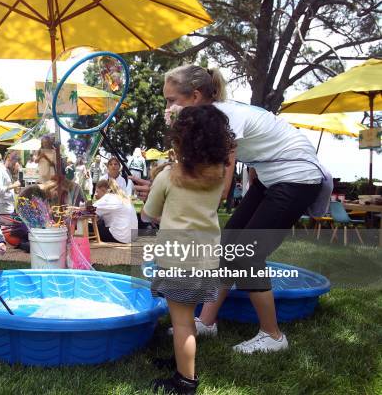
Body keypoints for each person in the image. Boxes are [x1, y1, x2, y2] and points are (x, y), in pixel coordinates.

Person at [133, 64, 325, 355]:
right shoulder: (209, 120)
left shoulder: (224, 118)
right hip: (270, 178)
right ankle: (207, 321)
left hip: (297, 176)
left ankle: (273, 335)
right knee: (228, 248)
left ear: (195, 96)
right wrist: (165, 186)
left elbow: (218, 190)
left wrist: (169, 194)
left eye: (172, 100)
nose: (167, 107)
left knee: (247, 253)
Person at [143, 105, 236, 395]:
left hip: (177, 261)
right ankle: (182, 360)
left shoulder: (167, 177)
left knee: (182, 322)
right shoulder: (219, 176)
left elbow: (148, 214)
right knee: (186, 318)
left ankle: (185, 381)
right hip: (206, 260)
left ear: (180, 141)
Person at [93, 179, 138, 243]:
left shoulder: (108, 197)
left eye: (97, 191)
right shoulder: (123, 197)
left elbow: (89, 211)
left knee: (91, 226)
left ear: (103, 190)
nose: (95, 194)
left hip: (119, 237)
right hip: (131, 237)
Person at [0, 152, 21, 216]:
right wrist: (13, 185)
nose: (14, 165)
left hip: (8, 210)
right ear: (8, 159)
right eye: (14, 163)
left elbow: (9, 189)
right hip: (1, 211)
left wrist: (15, 188)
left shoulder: (7, 170)